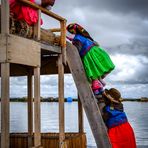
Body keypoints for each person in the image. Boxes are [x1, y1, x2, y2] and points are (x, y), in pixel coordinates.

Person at [66, 23, 115, 95]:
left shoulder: (77, 38)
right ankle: (100, 84)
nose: (71, 33)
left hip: (88, 55)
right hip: (95, 52)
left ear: (73, 30)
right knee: (96, 70)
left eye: (70, 31)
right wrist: (70, 39)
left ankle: (97, 87)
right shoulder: (84, 36)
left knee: (92, 71)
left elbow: (77, 50)